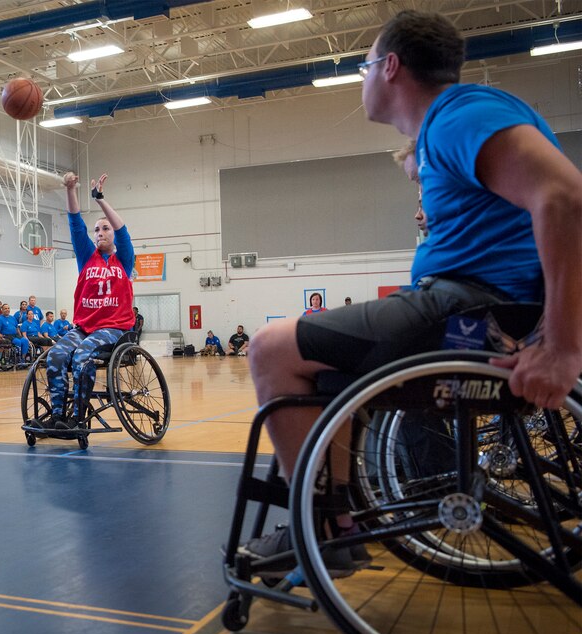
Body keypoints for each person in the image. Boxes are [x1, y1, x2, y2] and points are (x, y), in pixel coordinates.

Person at [243, 9, 582, 569]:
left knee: (271, 348)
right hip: (481, 309)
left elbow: (565, 198)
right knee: (325, 369)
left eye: (363, 66)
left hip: (474, 310)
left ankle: (325, 528)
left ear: (391, 67)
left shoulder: (458, 113)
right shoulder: (448, 127)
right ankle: (339, 517)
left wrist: (562, 346)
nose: (362, 78)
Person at [33, 171, 136, 433]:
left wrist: (100, 199)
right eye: (97, 230)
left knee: (82, 356)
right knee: (55, 355)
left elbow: (122, 230)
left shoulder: (123, 260)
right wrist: (70, 189)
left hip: (113, 327)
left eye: (105, 229)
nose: (99, 233)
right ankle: (58, 417)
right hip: (85, 326)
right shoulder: (86, 258)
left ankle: (78, 417)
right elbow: (75, 223)